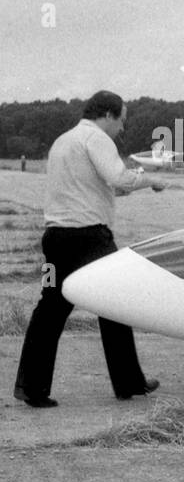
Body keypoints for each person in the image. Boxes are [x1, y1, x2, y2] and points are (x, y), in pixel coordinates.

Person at [12, 90, 166, 407]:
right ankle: (128, 382)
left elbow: (94, 186)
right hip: (90, 238)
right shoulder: (97, 139)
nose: (121, 129)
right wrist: (149, 179)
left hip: (56, 238)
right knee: (116, 301)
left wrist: (124, 188)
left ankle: (31, 387)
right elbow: (118, 177)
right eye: (121, 121)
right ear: (107, 115)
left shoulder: (63, 142)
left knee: (50, 309)